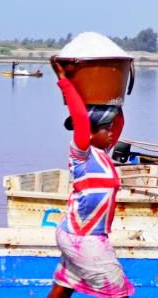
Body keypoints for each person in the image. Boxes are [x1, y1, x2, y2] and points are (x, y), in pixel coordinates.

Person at [47, 57, 134, 298]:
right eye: (105, 128)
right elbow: (81, 120)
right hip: (83, 238)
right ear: (90, 132)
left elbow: (119, 120)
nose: (110, 133)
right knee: (117, 292)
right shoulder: (82, 156)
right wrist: (64, 81)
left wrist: (117, 85)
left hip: (82, 235)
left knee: (63, 287)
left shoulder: (103, 154)